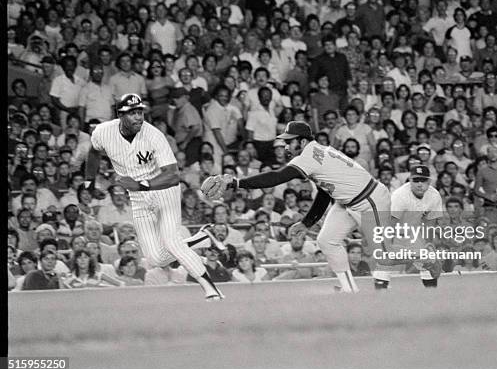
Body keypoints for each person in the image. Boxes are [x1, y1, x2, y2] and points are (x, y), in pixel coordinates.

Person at [202, 121, 391, 293]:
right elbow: (325, 191)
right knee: (327, 240)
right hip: (348, 202)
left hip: (370, 198)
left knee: (380, 247)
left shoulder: (309, 155)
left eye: (289, 141)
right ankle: (349, 290)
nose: (285, 146)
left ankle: (382, 294)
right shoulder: (318, 151)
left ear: (302, 142)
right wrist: (307, 223)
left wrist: (236, 182)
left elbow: (276, 177)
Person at [85, 93, 224, 300]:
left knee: (171, 242)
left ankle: (212, 290)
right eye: (132, 113)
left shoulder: (154, 135)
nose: (138, 117)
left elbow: (173, 175)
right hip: (139, 197)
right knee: (156, 259)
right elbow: (93, 153)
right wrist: (89, 182)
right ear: (120, 115)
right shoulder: (103, 132)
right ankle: (201, 239)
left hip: (164, 192)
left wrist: (141, 185)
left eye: (140, 111)